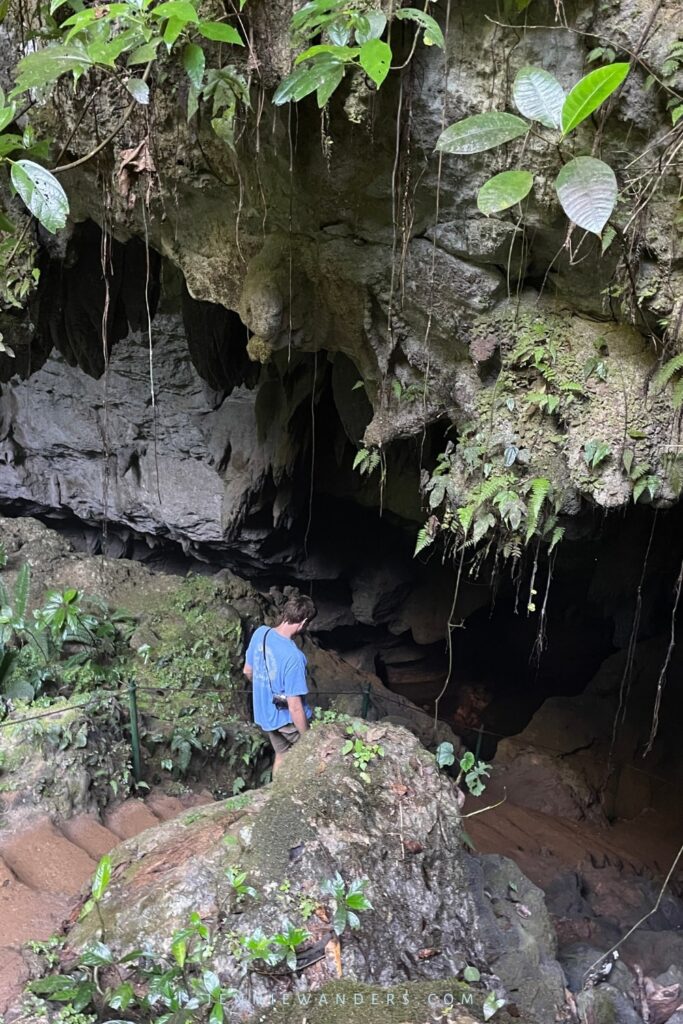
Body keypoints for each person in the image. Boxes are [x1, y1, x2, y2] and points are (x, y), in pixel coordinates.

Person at [243, 594, 317, 775]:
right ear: (304, 621)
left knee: (282, 755)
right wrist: (308, 738)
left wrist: (265, 690)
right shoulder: (294, 657)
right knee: (313, 756)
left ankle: (274, 795)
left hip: (264, 714)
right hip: (286, 721)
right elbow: (295, 707)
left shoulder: (261, 633)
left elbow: (247, 671)